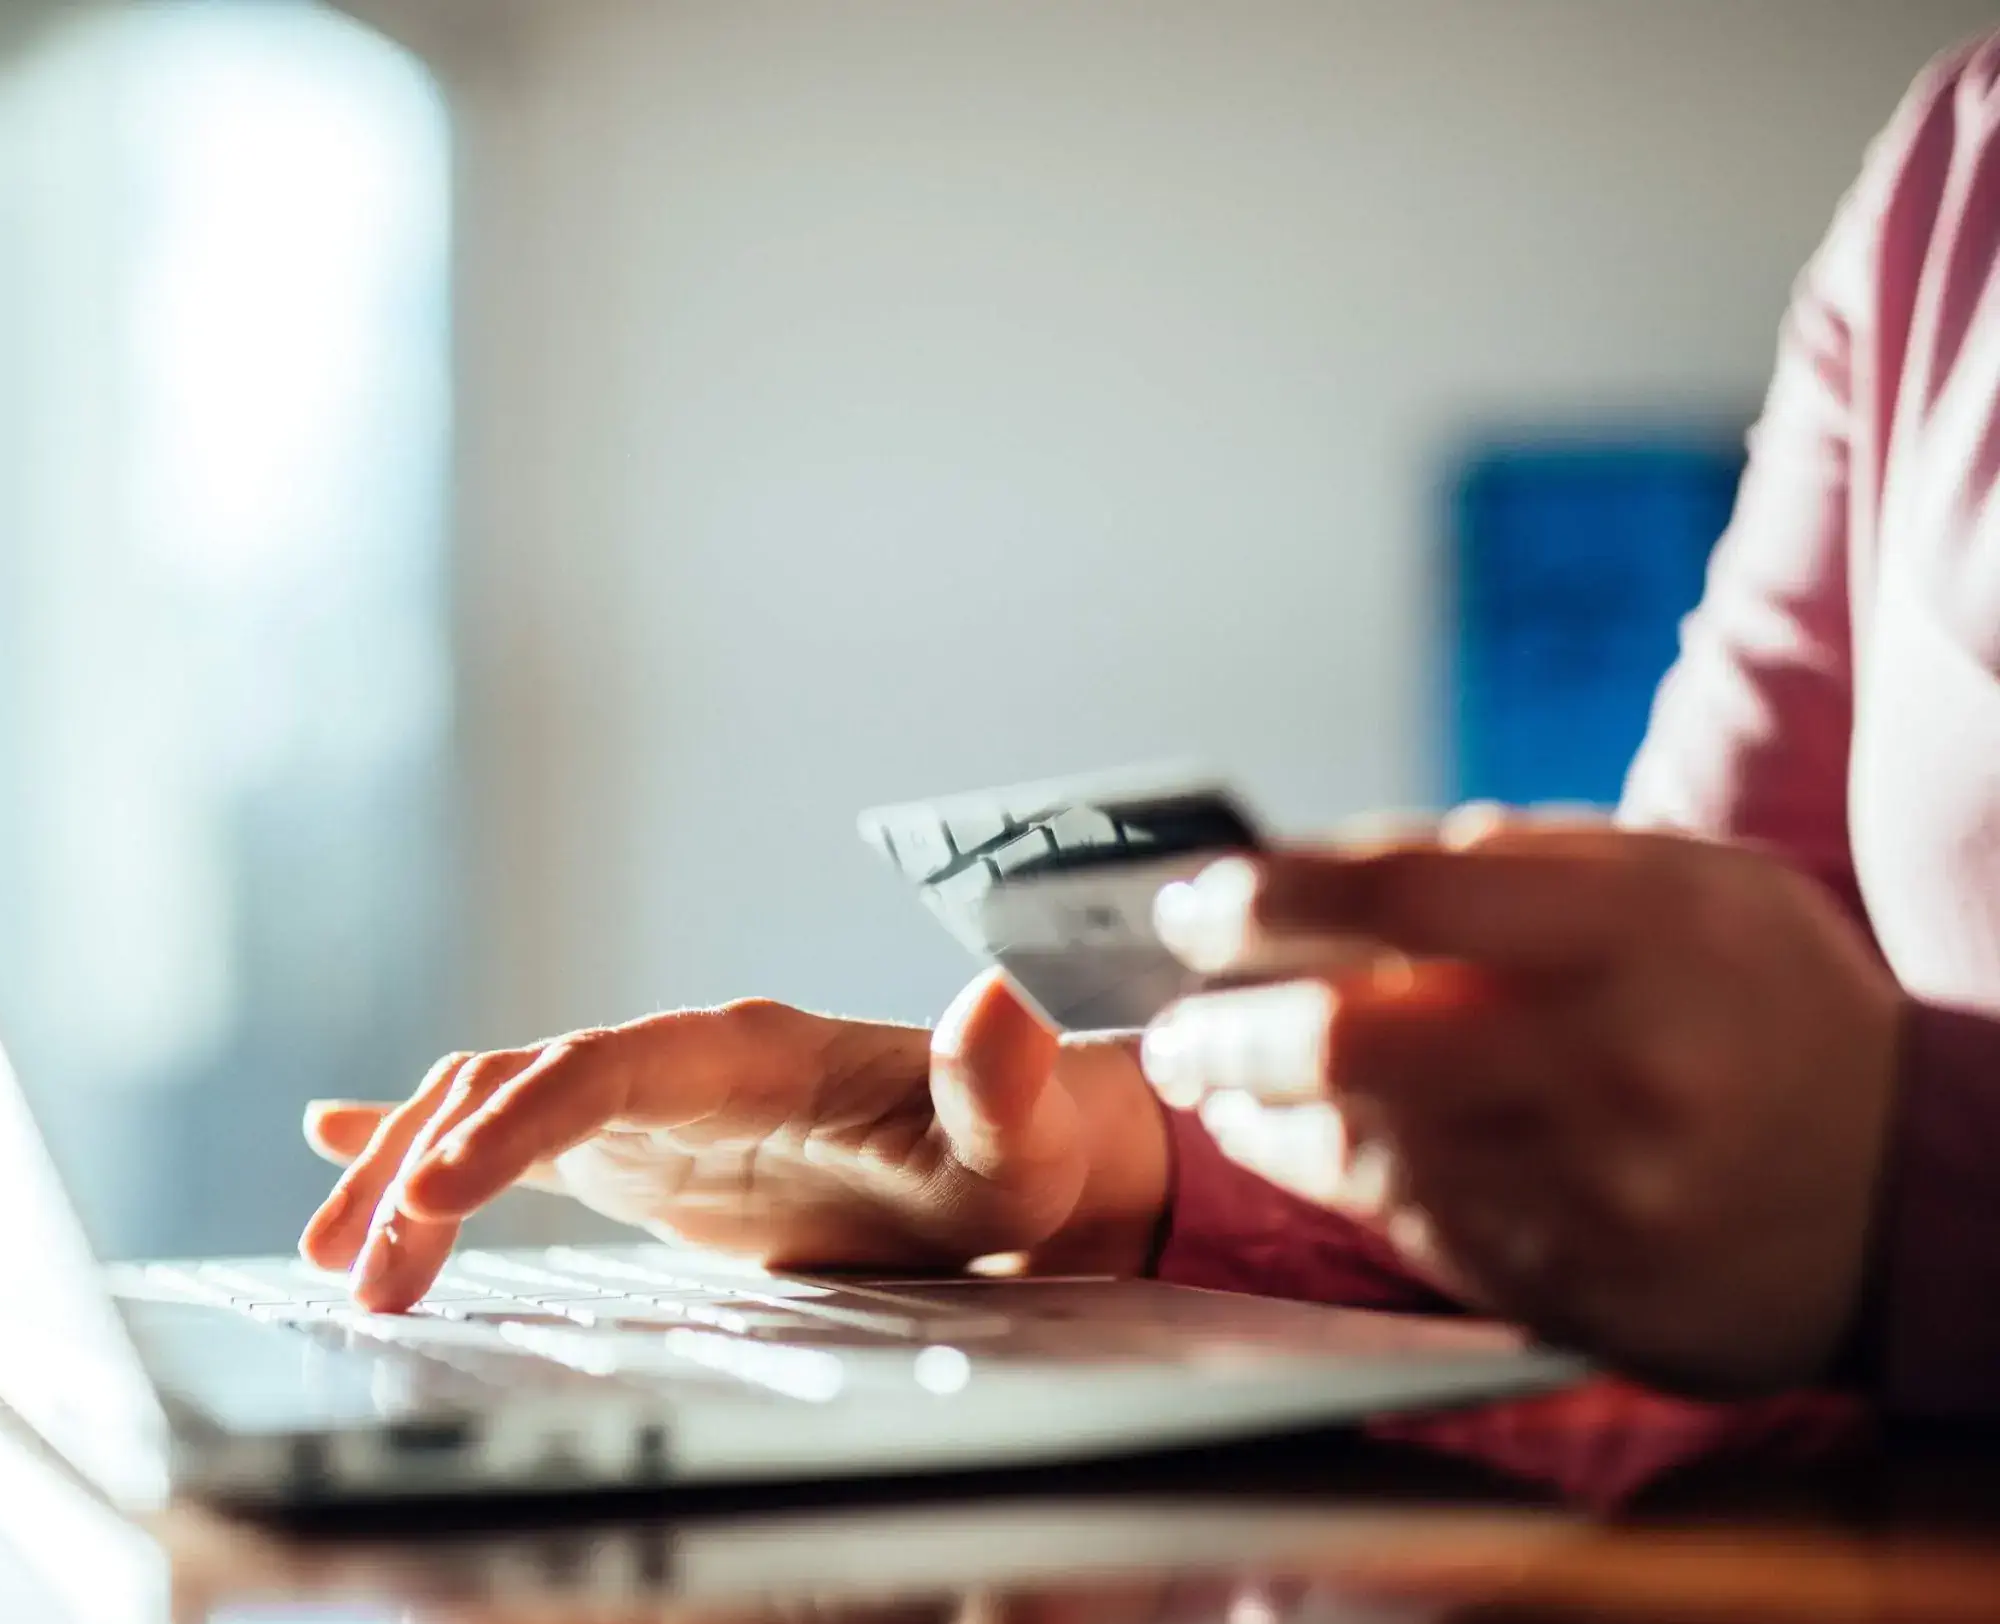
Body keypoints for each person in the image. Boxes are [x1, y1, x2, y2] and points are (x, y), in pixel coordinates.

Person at [302, 37, 2000, 1418]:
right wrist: (1096, 1168)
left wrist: (1908, 1184)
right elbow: (1665, 1115)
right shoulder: (1952, 182)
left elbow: (1822, 1155)